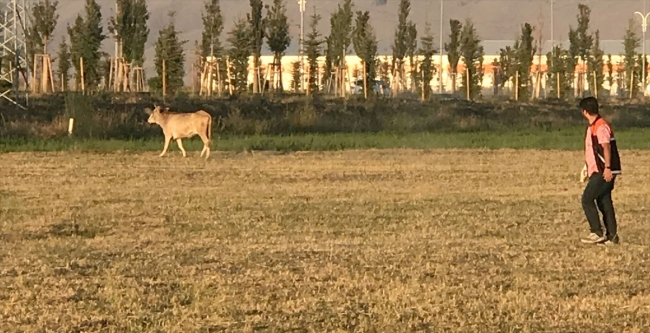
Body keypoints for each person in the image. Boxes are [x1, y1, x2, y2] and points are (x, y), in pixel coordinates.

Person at [578, 96, 622, 245]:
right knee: (604, 201)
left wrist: (608, 168)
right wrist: (586, 167)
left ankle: (596, 231)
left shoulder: (600, 127)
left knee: (587, 199)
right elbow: (593, 151)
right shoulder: (593, 127)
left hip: (603, 171)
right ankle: (612, 236)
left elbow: (606, 148)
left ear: (585, 112)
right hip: (597, 169)